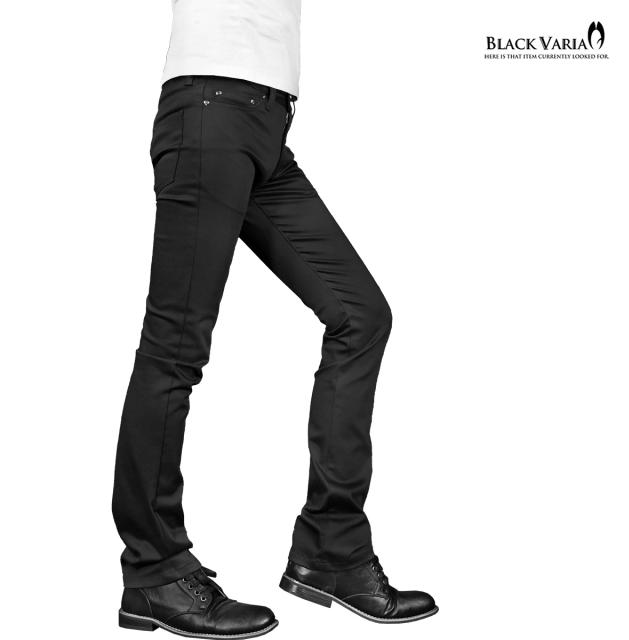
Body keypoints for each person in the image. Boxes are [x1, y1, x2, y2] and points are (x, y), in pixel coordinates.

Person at [112, 1, 438, 636]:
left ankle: (332, 549)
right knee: (175, 348)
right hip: (209, 112)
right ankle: (154, 569)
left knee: (361, 316)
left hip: (264, 128)